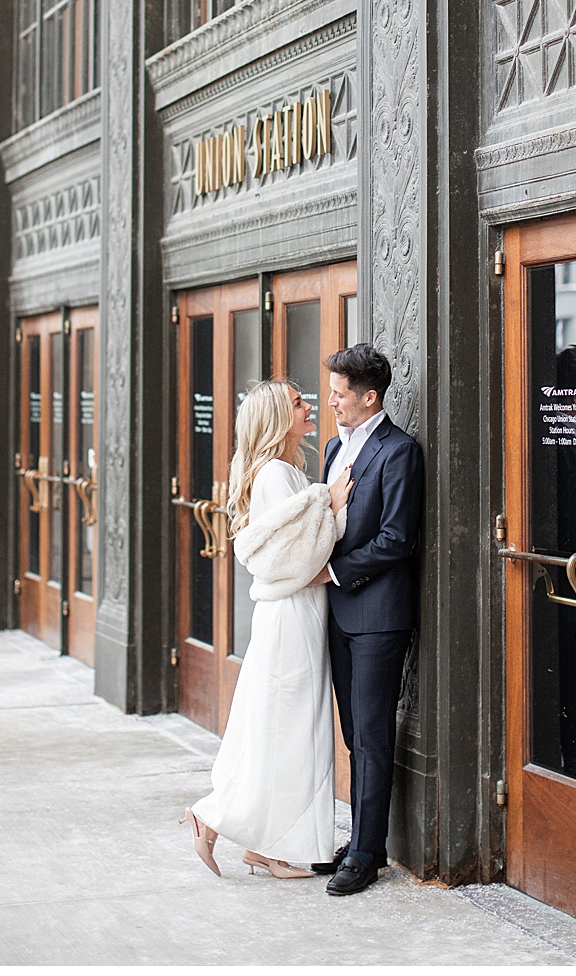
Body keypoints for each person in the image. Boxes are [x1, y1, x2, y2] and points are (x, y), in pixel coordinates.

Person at [186, 380, 349, 879]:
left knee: (281, 728)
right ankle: (227, 824)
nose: (310, 407)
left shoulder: (285, 470)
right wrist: (331, 505)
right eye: (298, 403)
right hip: (290, 615)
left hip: (296, 612)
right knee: (288, 731)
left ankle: (257, 841)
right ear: (279, 418)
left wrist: (324, 507)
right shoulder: (276, 474)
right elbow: (289, 556)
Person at [308, 344, 426, 896]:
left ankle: (364, 856)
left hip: (378, 615)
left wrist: (334, 572)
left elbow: (397, 539)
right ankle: (365, 841)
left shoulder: (400, 451)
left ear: (370, 397)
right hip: (337, 613)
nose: (331, 401)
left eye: (339, 394)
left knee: (373, 734)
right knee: (354, 733)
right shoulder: (335, 446)